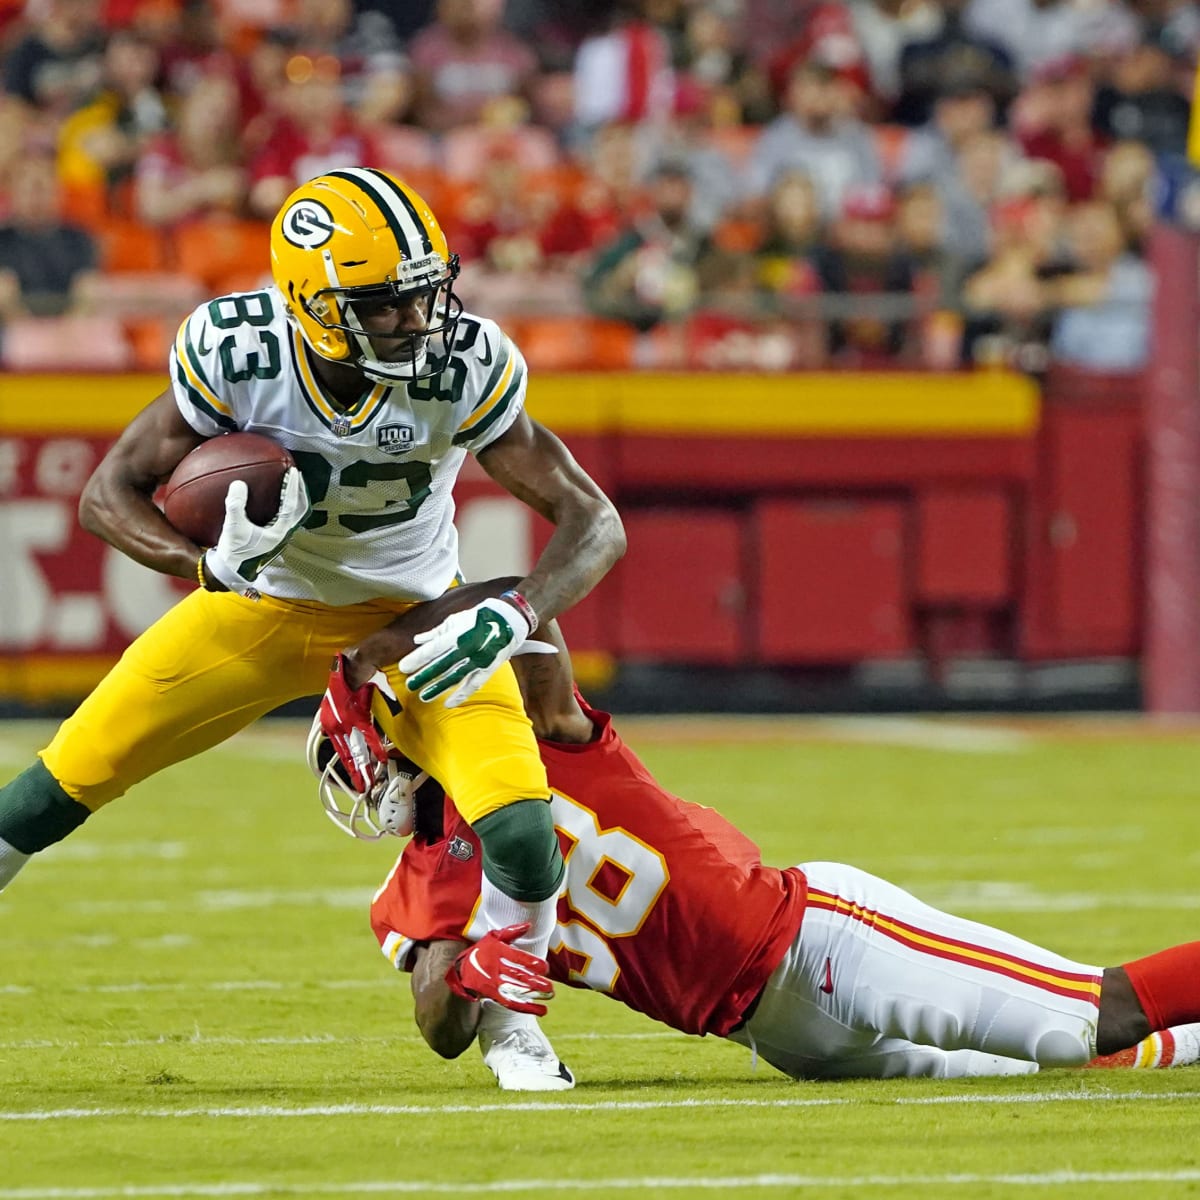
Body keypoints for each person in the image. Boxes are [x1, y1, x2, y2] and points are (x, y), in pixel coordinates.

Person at [0, 169, 626, 1081]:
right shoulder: (239, 354)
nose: (420, 324)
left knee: (525, 834)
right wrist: (206, 566)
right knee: (47, 793)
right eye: (388, 306)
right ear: (314, 306)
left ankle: (510, 1019)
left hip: (413, 622)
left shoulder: (464, 364)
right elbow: (109, 496)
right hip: (257, 609)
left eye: (424, 296)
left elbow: (594, 519)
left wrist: (518, 611)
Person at [308, 579, 1200, 1090]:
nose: (363, 777)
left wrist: (386, 649)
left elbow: (525, 609)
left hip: (824, 944)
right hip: (782, 1043)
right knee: (1087, 1064)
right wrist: (466, 976)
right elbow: (440, 1025)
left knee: (1085, 1021)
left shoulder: (540, 741)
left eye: (362, 753)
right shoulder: (422, 881)